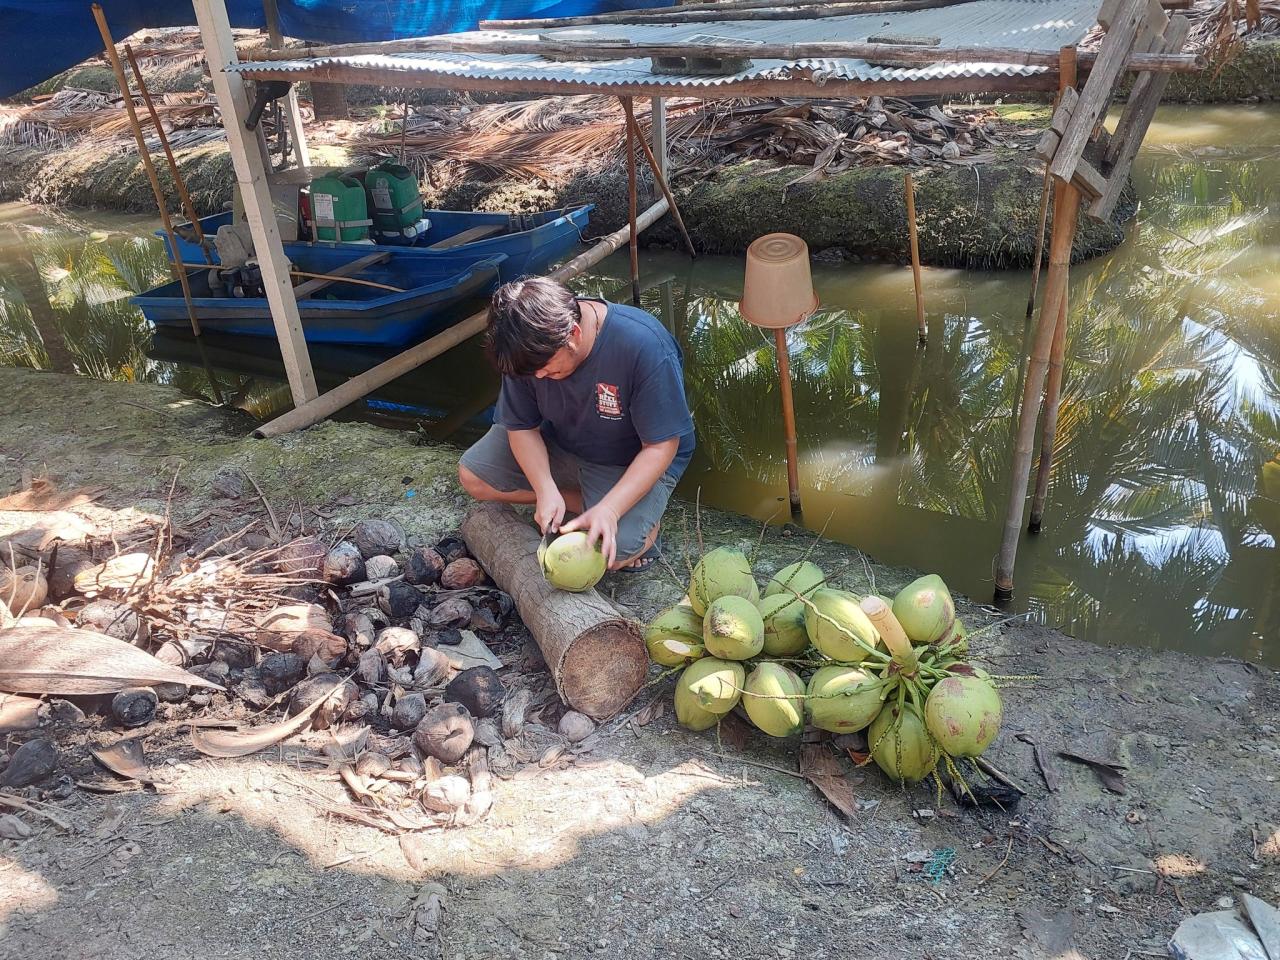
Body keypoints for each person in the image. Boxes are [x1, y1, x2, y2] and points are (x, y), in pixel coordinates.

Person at [458, 277, 694, 571]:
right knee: (473, 477)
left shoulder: (643, 346)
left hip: (629, 458)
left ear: (574, 334)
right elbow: (522, 428)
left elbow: (661, 446)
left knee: (611, 554)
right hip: (560, 440)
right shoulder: (525, 350)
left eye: (547, 369)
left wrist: (611, 509)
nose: (539, 377)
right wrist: (544, 489)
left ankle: (644, 525)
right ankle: (580, 502)